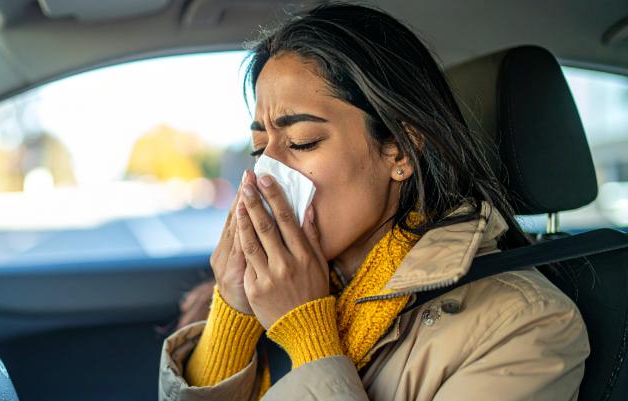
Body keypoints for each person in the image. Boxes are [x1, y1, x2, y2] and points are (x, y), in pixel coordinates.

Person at [158, 2, 589, 400]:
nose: (267, 174)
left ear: (399, 150)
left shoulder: (525, 324)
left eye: (302, 142)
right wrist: (232, 311)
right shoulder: (266, 293)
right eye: (259, 148)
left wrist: (307, 333)